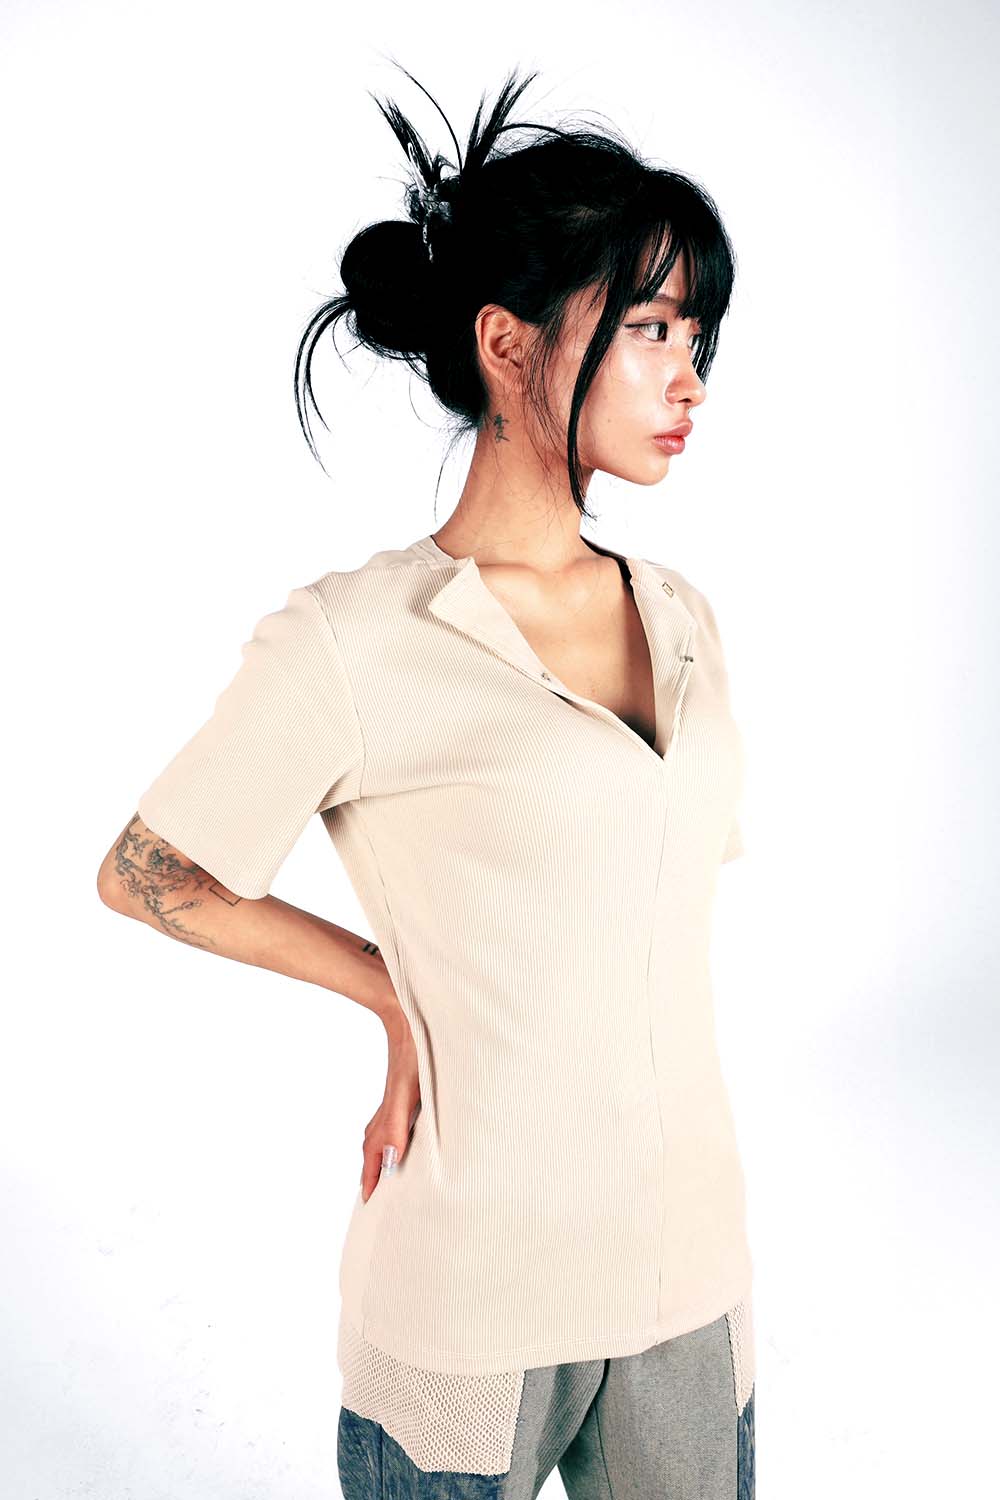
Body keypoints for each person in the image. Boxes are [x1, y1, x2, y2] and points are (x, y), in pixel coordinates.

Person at [97, 64, 756, 1499]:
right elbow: (148, 873)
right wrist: (389, 990)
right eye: (649, 327)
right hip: (472, 1305)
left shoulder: (683, 619)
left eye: (696, 333)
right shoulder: (358, 638)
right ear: (509, 344)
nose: (690, 375)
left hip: (691, 1283)